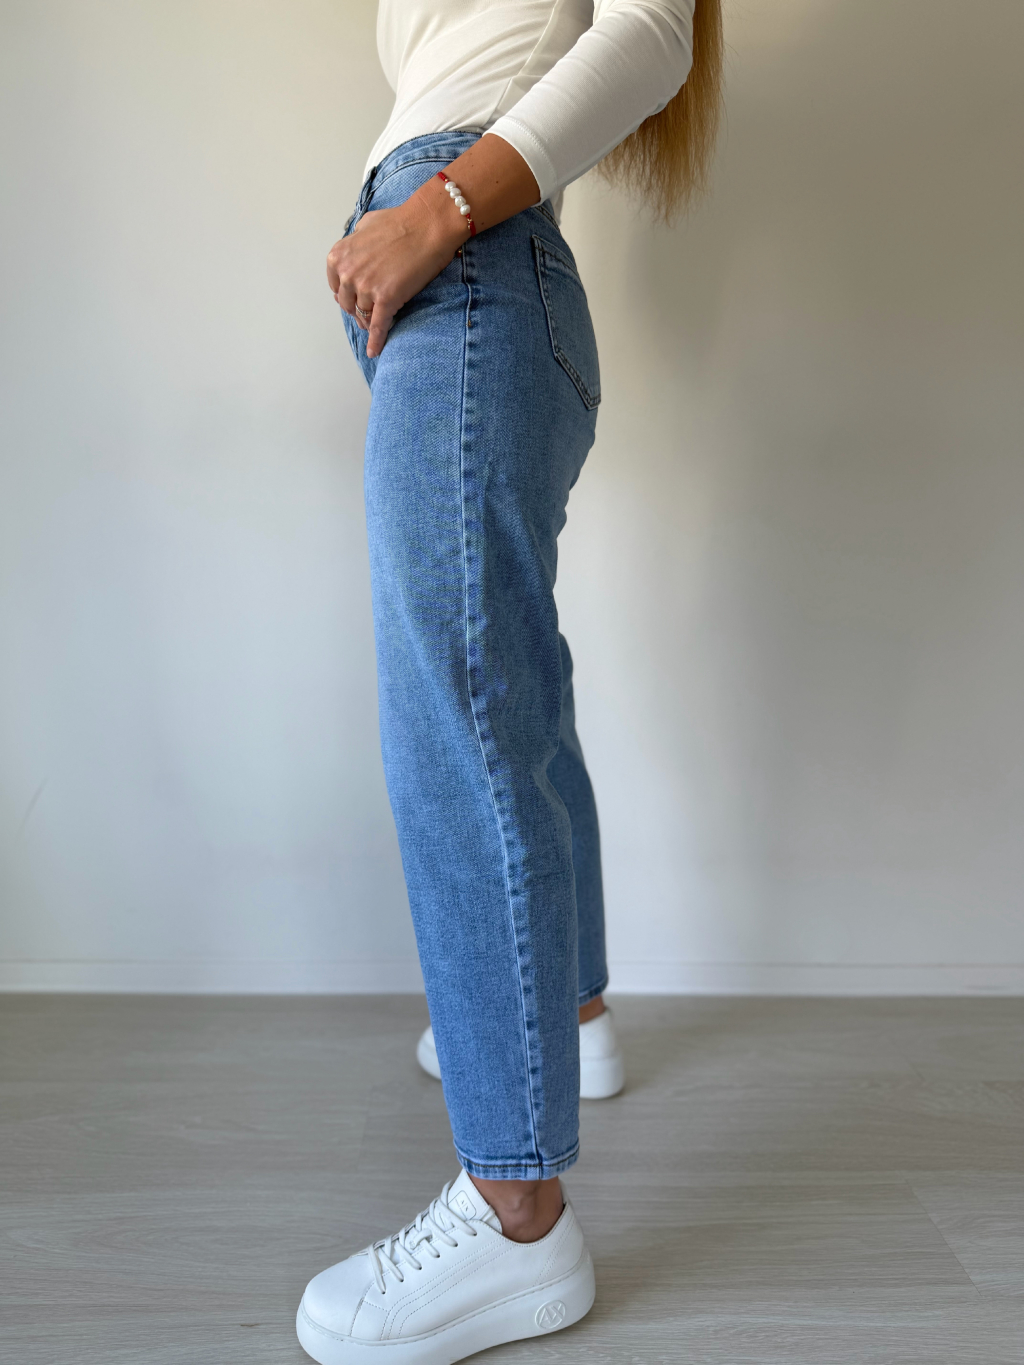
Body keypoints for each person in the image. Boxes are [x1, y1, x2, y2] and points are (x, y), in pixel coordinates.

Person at [296, 2, 722, 1360]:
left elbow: (652, 30)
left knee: (459, 724)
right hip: (476, 273)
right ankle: (568, 1021)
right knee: (503, 696)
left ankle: (515, 1216)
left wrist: (434, 211)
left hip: (470, 253)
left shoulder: (459, 208)